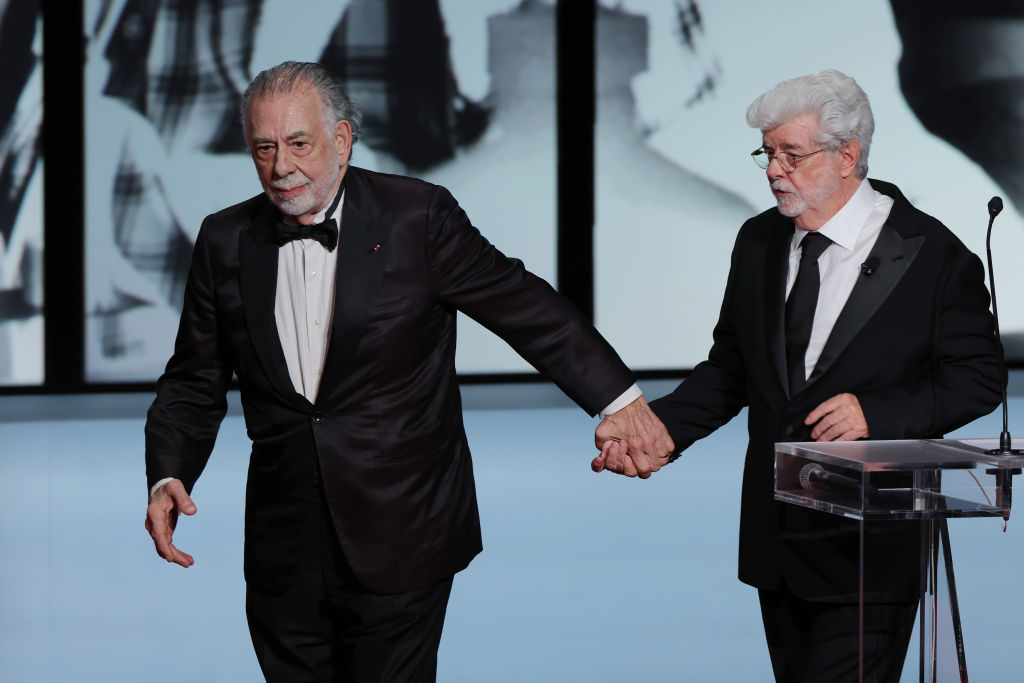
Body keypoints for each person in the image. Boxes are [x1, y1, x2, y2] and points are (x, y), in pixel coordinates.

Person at [143, 60, 672, 682]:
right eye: (264, 147)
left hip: (402, 525)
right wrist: (169, 471)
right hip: (283, 541)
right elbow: (194, 377)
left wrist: (620, 402)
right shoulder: (224, 238)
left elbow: (525, 308)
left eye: (298, 143)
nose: (281, 166)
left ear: (342, 139)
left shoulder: (415, 217)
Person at [594, 69, 1003, 682]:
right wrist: (658, 431)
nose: (772, 170)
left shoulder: (934, 255)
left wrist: (878, 415)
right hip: (777, 539)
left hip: (870, 546)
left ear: (848, 156)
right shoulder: (758, 240)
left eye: (791, 154)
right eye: (767, 152)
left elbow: (978, 379)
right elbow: (731, 371)